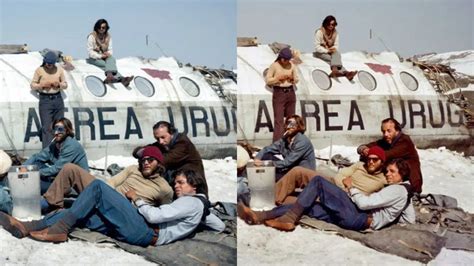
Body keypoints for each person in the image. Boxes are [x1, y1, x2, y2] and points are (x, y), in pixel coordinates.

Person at [0, 169, 225, 246]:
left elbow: (157, 216)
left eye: (181, 183)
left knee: (97, 187)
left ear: (193, 186)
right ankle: (29, 226)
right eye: (176, 182)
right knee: (84, 212)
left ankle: (58, 230)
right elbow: (219, 225)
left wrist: (138, 200)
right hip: (140, 232)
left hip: (146, 229)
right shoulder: (198, 206)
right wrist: (206, 211)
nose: (176, 186)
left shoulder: (190, 201)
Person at [238, 158, 415, 232]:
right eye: (388, 171)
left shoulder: (397, 189)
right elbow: (409, 217)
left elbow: (365, 204)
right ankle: (260, 215)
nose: (388, 174)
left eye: (392, 172)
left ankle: (288, 220)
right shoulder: (404, 192)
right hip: (357, 218)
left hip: (359, 217)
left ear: (402, 175)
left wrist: (351, 188)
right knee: (308, 205)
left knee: (318, 182)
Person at [41, 146, 173, 212]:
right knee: (70, 168)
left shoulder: (164, 188)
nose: (146, 163)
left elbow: (163, 213)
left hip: (121, 210)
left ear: (159, 163)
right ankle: (50, 202)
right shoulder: (133, 169)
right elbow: (112, 181)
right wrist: (106, 194)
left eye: (150, 160)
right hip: (107, 195)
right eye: (143, 160)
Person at [275, 146, 387, 206]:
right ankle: (272, 197)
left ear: (382, 162)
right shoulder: (360, 165)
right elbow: (340, 175)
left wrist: (349, 188)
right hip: (334, 184)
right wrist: (345, 185)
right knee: (298, 171)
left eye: (375, 159)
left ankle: (277, 200)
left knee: (304, 199)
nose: (371, 162)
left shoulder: (383, 180)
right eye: (369, 159)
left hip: (343, 198)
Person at [133, 121, 207, 197]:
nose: (160, 141)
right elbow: (139, 151)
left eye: (163, 137)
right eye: (157, 139)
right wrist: (144, 153)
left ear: (171, 133)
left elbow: (164, 160)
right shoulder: (164, 143)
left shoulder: (183, 144)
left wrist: (150, 156)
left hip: (193, 189)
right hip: (178, 187)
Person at [357, 118, 423, 193]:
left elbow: (386, 155)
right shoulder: (387, 141)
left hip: (410, 185)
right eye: (383, 131)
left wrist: (370, 153)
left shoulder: (405, 142)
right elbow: (364, 146)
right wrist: (363, 149)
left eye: (389, 131)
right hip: (394, 181)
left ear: (397, 131)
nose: (386, 134)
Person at [24, 118, 88, 194]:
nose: (56, 132)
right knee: (36, 163)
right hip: (60, 176)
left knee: (34, 186)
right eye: (55, 129)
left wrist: (35, 173)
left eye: (60, 129)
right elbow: (37, 156)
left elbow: (57, 169)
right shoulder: (56, 143)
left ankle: (68, 192)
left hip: (74, 182)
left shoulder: (71, 145)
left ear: (67, 131)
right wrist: (23, 168)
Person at [254, 115, 315, 181]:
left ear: (299, 126)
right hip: (290, 169)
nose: (289, 127)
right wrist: (258, 158)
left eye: (292, 124)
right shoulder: (285, 138)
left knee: (270, 176)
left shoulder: (302, 141)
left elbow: (287, 162)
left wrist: (266, 164)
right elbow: (268, 148)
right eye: (288, 123)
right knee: (266, 156)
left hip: (302, 175)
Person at [30, 51, 68, 148]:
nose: (49, 65)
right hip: (45, 100)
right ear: (44, 61)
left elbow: (65, 84)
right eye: (47, 63)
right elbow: (32, 85)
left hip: (57, 99)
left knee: (59, 126)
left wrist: (58, 84)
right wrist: (41, 85)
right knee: (47, 128)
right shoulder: (39, 70)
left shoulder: (59, 70)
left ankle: (59, 150)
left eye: (51, 63)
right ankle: (47, 151)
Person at [86, 19, 133, 86]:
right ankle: (121, 79)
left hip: (105, 57)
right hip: (94, 58)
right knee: (107, 65)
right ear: (96, 27)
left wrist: (108, 53)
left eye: (103, 27)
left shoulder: (108, 37)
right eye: (99, 27)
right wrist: (100, 56)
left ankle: (110, 77)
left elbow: (110, 50)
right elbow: (90, 52)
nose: (101, 29)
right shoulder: (92, 36)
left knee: (111, 59)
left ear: (106, 28)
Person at [265, 47, 299, 142]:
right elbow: (268, 80)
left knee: (291, 119)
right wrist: (277, 79)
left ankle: (289, 141)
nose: (287, 62)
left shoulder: (291, 65)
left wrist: (292, 79)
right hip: (279, 92)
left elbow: (296, 78)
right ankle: (277, 143)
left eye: (288, 60)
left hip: (290, 92)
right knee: (279, 120)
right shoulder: (274, 66)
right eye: (285, 59)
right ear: (281, 58)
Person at [313, 15, 357, 81]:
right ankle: (345, 73)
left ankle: (336, 72)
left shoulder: (335, 33)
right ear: (325, 23)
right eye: (329, 24)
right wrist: (327, 51)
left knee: (337, 54)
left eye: (333, 24)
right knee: (334, 59)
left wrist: (332, 49)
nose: (331, 26)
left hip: (331, 52)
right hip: (320, 52)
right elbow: (317, 47)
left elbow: (336, 45)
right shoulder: (319, 32)